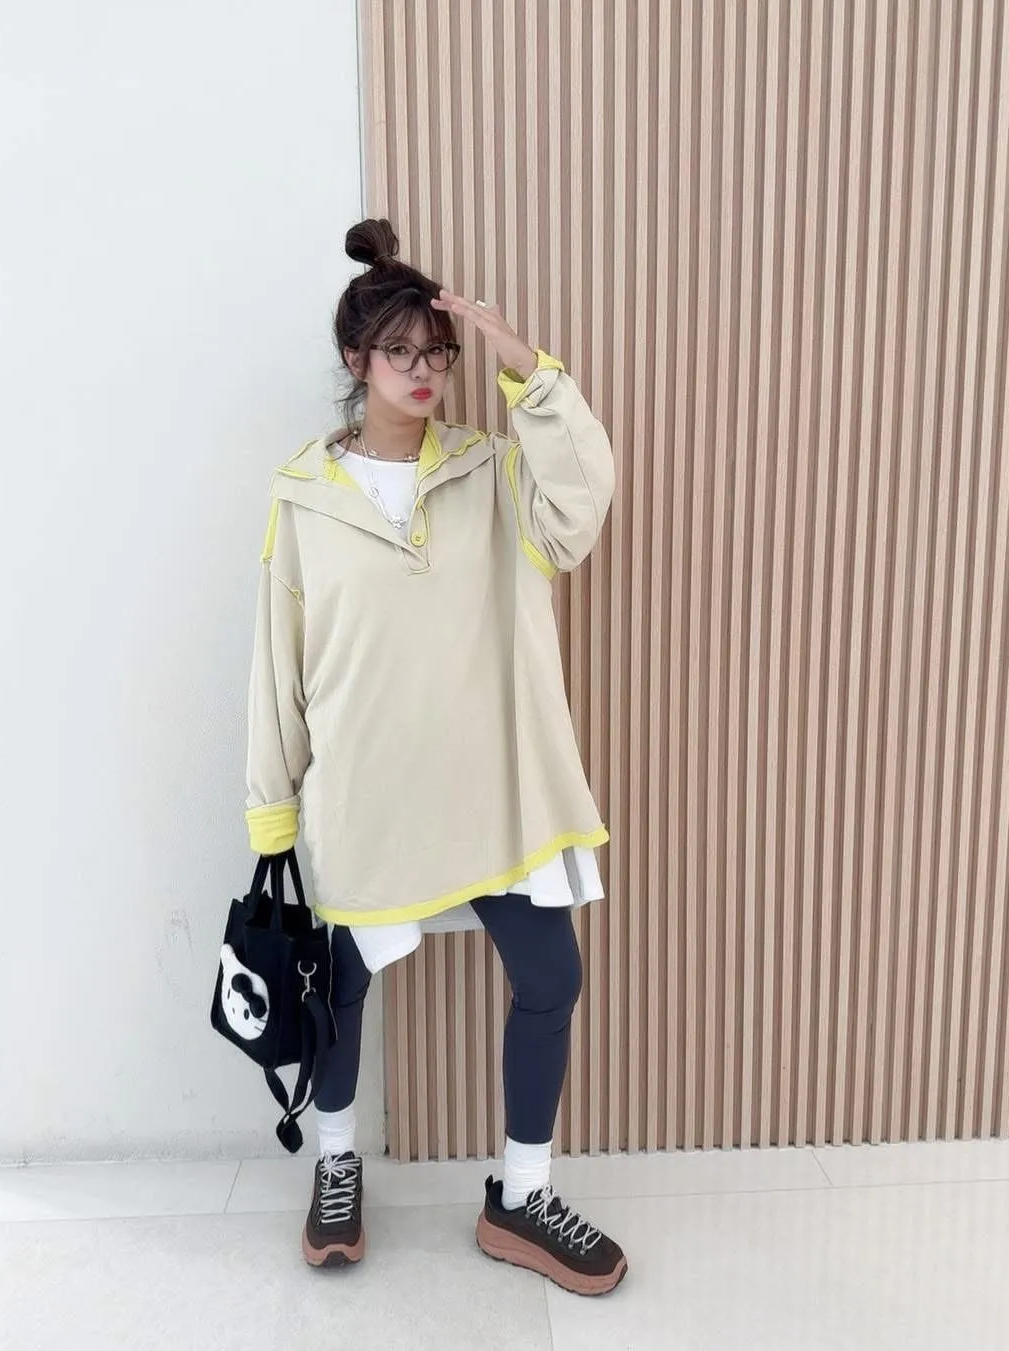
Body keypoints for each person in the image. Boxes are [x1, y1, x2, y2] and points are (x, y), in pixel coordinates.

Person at [244, 217, 627, 1296]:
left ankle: (521, 1195)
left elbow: (580, 509)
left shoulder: (495, 474)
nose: (424, 371)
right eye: (401, 350)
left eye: (439, 352)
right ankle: (336, 1163)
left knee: (552, 976)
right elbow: (277, 665)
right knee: (339, 987)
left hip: (495, 785)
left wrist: (524, 367)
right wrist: (272, 813)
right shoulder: (302, 498)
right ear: (356, 358)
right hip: (366, 792)